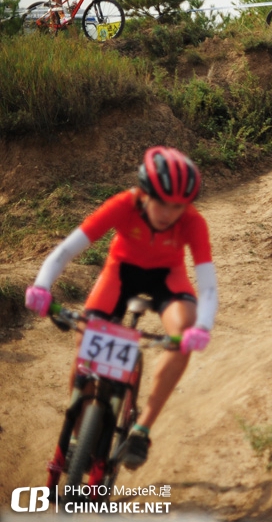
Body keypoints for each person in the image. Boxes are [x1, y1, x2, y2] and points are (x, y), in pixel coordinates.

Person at [25, 146, 218, 471]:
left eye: (178, 205)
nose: (170, 212)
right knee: (85, 343)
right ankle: (77, 437)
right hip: (120, 273)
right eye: (162, 201)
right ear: (145, 192)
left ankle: (141, 430)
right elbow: (65, 251)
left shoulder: (193, 222)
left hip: (167, 280)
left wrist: (202, 327)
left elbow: (208, 284)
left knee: (184, 329)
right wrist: (41, 286)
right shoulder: (123, 205)